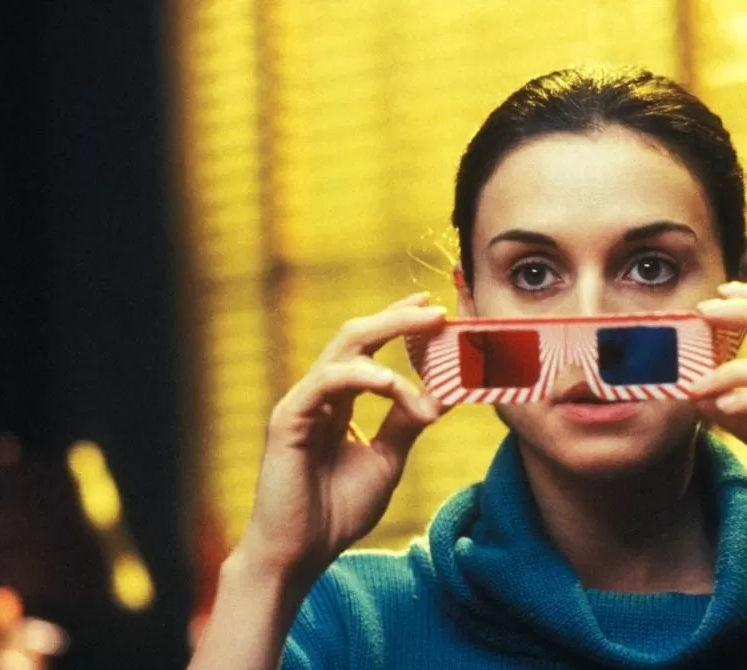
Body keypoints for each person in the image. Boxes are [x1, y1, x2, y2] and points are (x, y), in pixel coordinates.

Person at [188, 66, 747, 668]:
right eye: (533, 274)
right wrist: (265, 568)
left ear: (735, 290)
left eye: (650, 268)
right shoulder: (346, 625)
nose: (589, 325)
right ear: (470, 308)